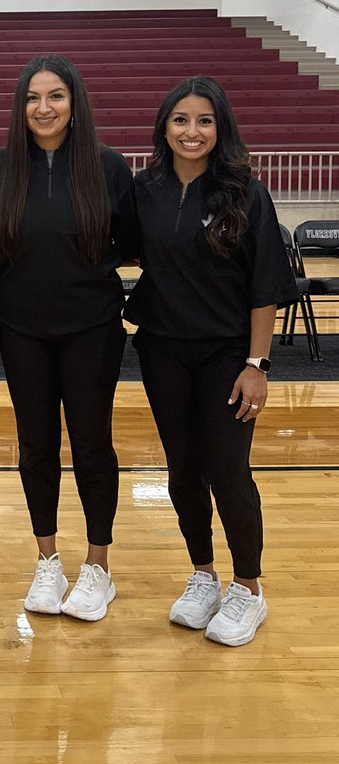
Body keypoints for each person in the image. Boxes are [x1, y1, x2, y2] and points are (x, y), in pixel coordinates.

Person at [124, 76, 296, 647]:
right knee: (181, 471)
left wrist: (258, 364)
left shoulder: (246, 191)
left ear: (220, 128)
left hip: (228, 354)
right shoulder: (143, 188)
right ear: (163, 128)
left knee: (227, 470)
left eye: (203, 121)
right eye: (180, 120)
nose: (191, 132)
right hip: (163, 348)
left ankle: (248, 587)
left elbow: (264, 284)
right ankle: (203, 574)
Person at [0, 55, 137, 622]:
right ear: (20, 106)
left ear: (75, 105)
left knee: (93, 446)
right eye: (32, 98)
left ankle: (98, 566)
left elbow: (134, 244)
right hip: (23, 330)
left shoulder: (109, 167)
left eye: (55, 97)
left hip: (92, 330)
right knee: (36, 447)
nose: (43, 108)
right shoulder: (0, 169)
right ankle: (47, 559)